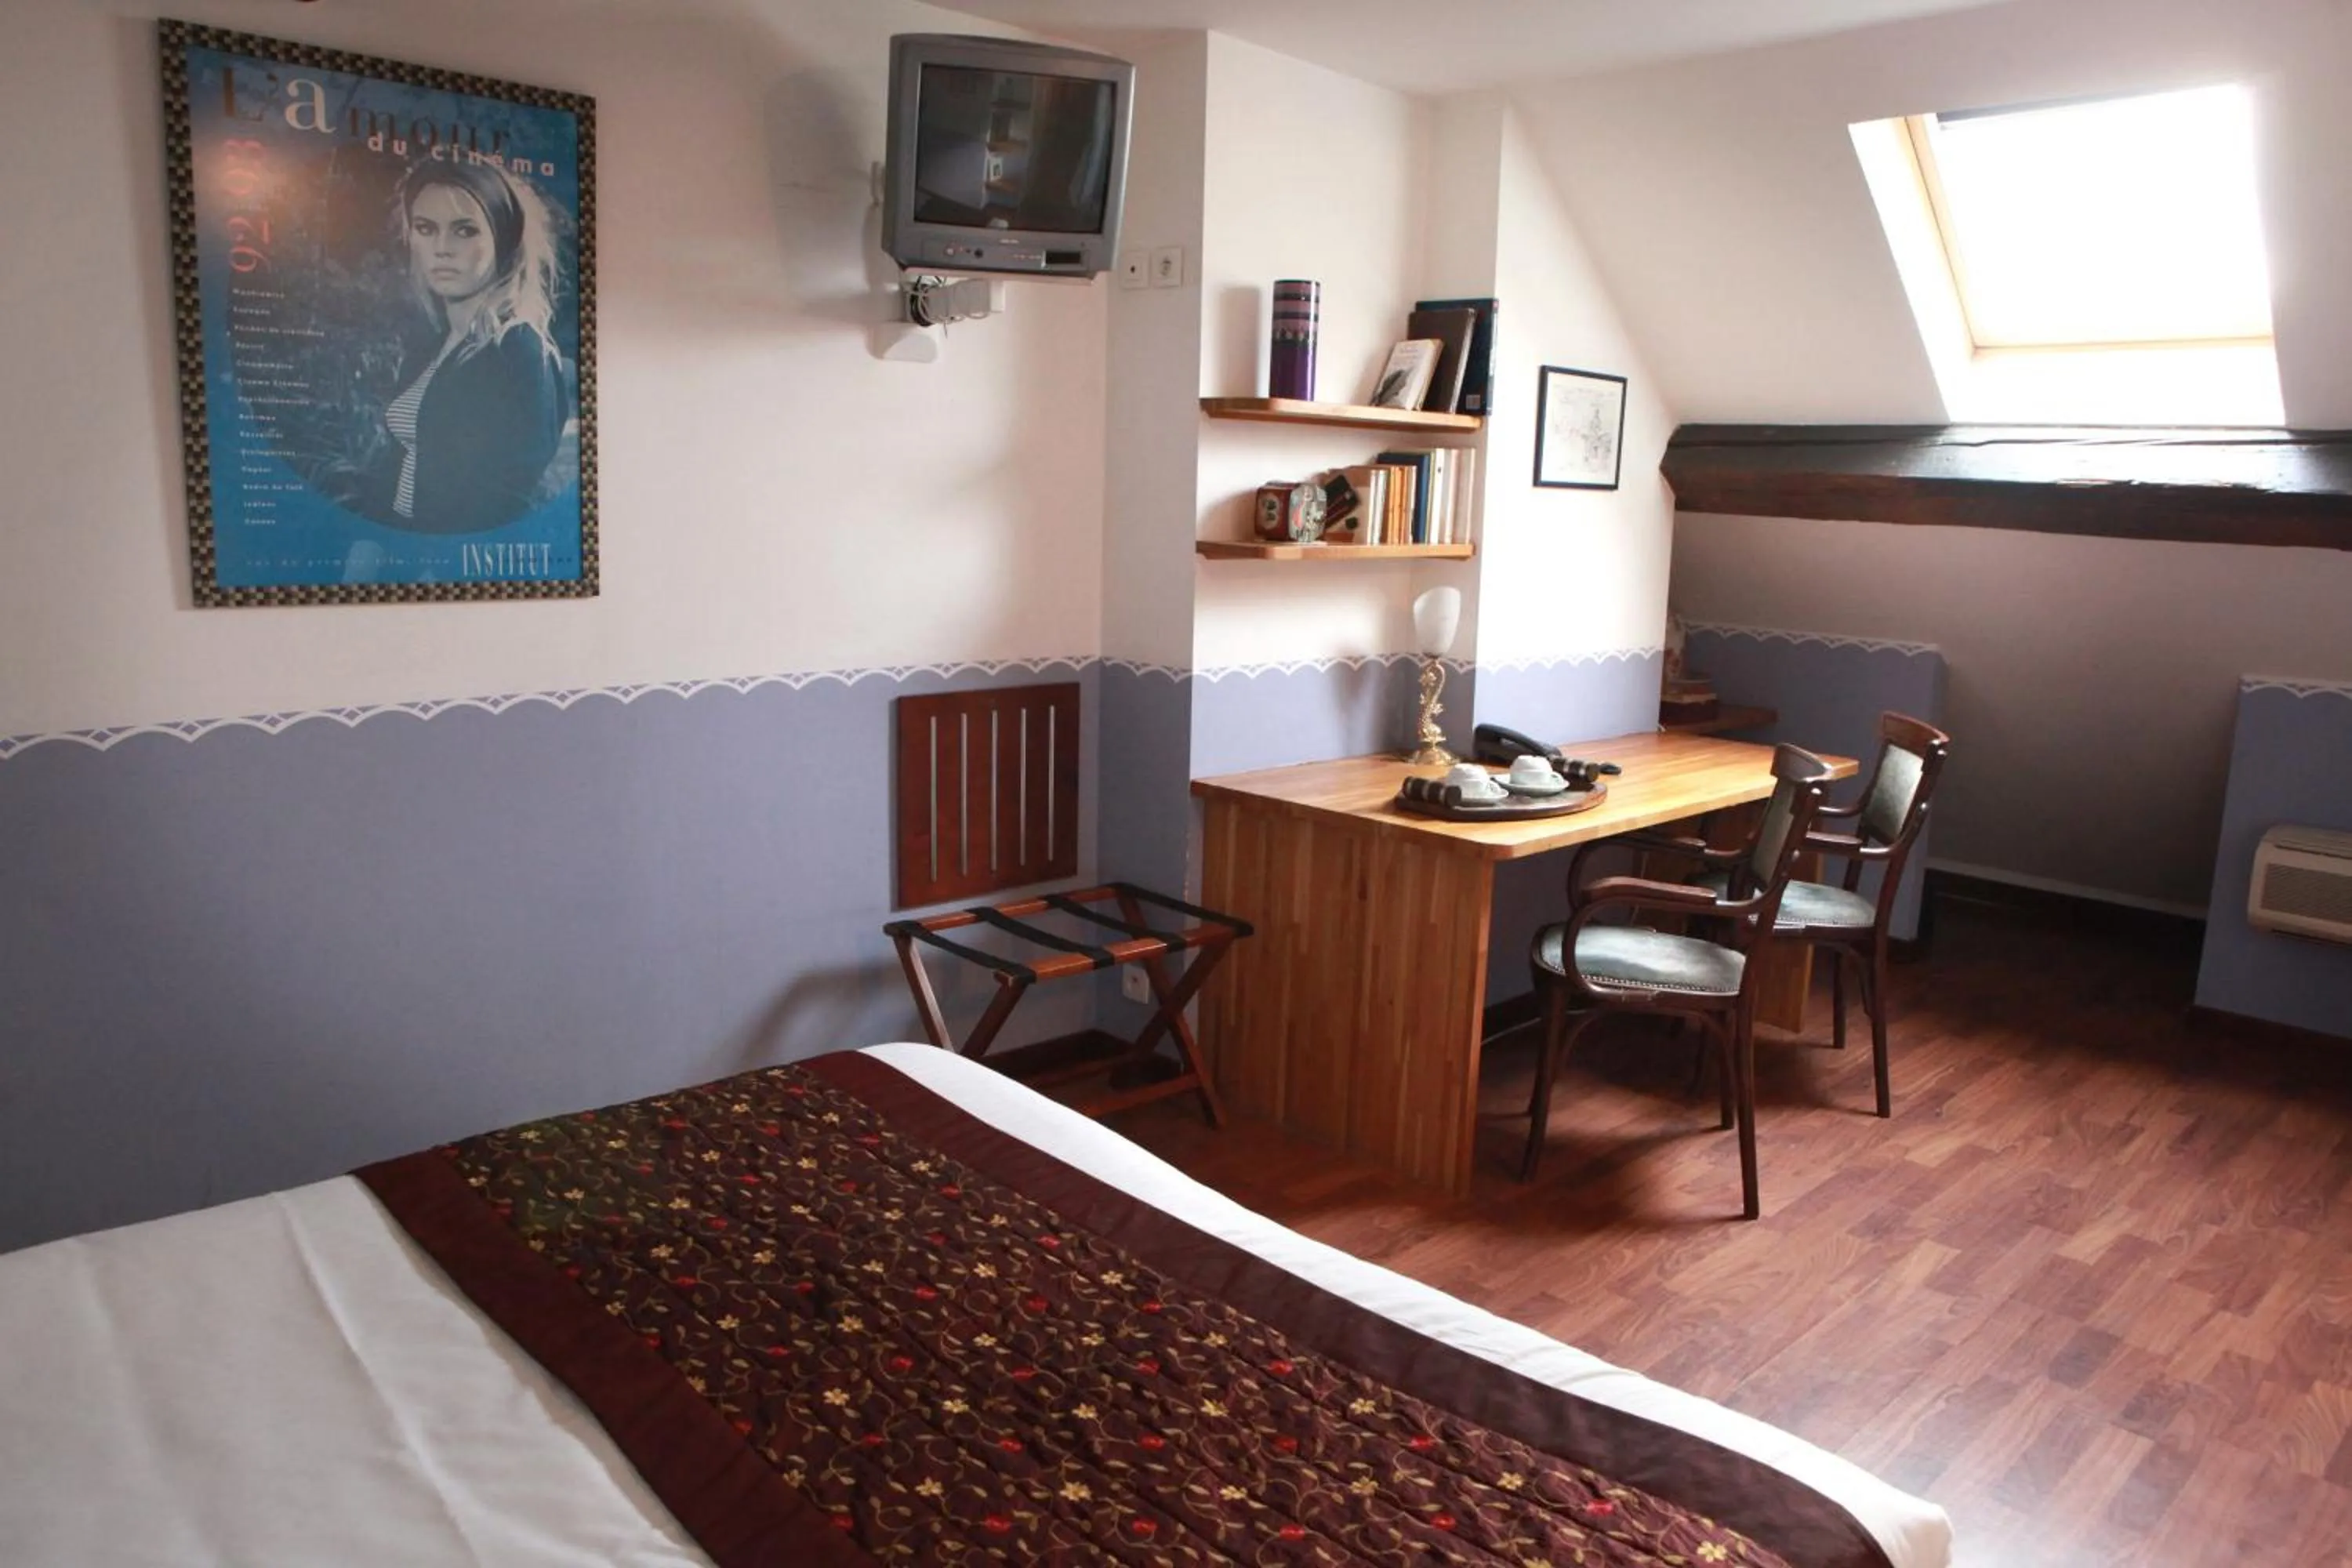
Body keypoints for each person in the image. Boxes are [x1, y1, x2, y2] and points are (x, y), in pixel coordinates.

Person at [364, 160, 564, 534]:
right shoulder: (430, 347)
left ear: (503, 239)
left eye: (465, 230)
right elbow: (400, 464)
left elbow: (506, 495)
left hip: (447, 556)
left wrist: (435, 557)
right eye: (426, 229)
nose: (442, 249)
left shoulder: (518, 348)